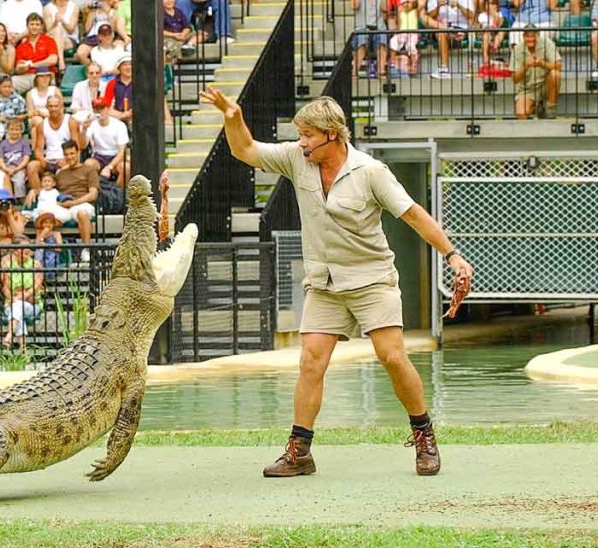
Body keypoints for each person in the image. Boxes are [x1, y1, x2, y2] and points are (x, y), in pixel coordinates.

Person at [200, 87, 474, 478]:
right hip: (324, 283)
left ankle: (424, 434)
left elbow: (413, 215)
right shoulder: (298, 160)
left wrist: (453, 255)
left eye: (308, 135)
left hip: (372, 278)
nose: (302, 142)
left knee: (392, 357)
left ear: (332, 134)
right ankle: (299, 453)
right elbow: (245, 150)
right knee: (311, 361)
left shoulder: (371, 172)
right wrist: (233, 116)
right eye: (300, 134)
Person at [53, 140, 99, 254]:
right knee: (46, 215)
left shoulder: (89, 170)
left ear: (78, 152)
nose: (69, 157)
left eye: (72, 153)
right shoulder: (60, 174)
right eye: (66, 154)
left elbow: (93, 194)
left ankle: (86, 250)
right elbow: (51, 188)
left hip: (82, 204)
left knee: (82, 213)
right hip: (64, 205)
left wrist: (73, 203)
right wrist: (34, 191)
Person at [28, 95, 81, 191]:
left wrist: (66, 160)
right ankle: (40, 196)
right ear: (47, 107)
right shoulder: (42, 125)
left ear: (61, 106)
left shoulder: (71, 121)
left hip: (66, 159)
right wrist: (42, 161)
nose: (53, 109)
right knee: (32, 166)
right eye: (51, 106)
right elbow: (38, 150)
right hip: (49, 160)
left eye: (56, 106)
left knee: (65, 169)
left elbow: (77, 147)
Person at [1, 234, 44, 348]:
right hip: (11, 304)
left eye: (28, 247)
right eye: (23, 247)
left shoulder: (36, 265)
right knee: (18, 310)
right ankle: (23, 350)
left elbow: (37, 286)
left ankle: (9, 335)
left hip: (32, 304)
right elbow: (5, 287)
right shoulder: (8, 264)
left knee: (18, 306)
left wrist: (21, 297)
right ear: (15, 251)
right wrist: (13, 299)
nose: (27, 250)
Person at [512, 25, 562, 119]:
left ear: (538, 35)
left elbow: (559, 66)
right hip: (528, 89)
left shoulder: (547, 43)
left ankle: (550, 109)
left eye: (533, 36)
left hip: (546, 84)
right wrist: (525, 66)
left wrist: (542, 63)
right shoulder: (517, 50)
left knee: (555, 74)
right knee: (521, 113)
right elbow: (514, 79)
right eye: (528, 36)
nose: (531, 39)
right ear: (523, 36)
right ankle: (536, 108)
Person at [82, 97, 130, 188]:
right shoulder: (91, 125)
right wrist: (84, 129)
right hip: (98, 156)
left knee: (126, 168)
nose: (100, 111)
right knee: (88, 165)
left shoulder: (119, 125)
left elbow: (121, 152)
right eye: (97, 109)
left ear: (107, 109)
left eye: (102, 108)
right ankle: (96, 193)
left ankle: (117, 194)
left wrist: (109, 167)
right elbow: (83, 145)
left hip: (115, 156)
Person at [424, 0, 476, 79]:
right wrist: (438, 6)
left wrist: (458, 5)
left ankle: (444, 70)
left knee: (443, 33)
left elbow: (472, 16)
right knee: (441, 32)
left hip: (460, 29)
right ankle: (444, 70)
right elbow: (430, 16)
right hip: (441, 27)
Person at [11, 13, 60, 94]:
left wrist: (32, 64)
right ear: (27, 26)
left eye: (37, 24)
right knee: (11, 82)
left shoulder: (49, 41)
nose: (34, 27)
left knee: (44, 79)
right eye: (32, 24)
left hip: (46, 74)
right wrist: (22, 68)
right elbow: (18, 68)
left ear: (41, 27)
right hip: (28, 76)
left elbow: (53, 60)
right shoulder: (22, 46)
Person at [0, 75, 28, 147]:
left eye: (9, 87)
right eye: (5, 87)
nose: (7, 89)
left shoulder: (19, 99)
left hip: (16, 123)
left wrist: (14, 118)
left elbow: (25, 115)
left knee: (12, 132)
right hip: (0, 124)